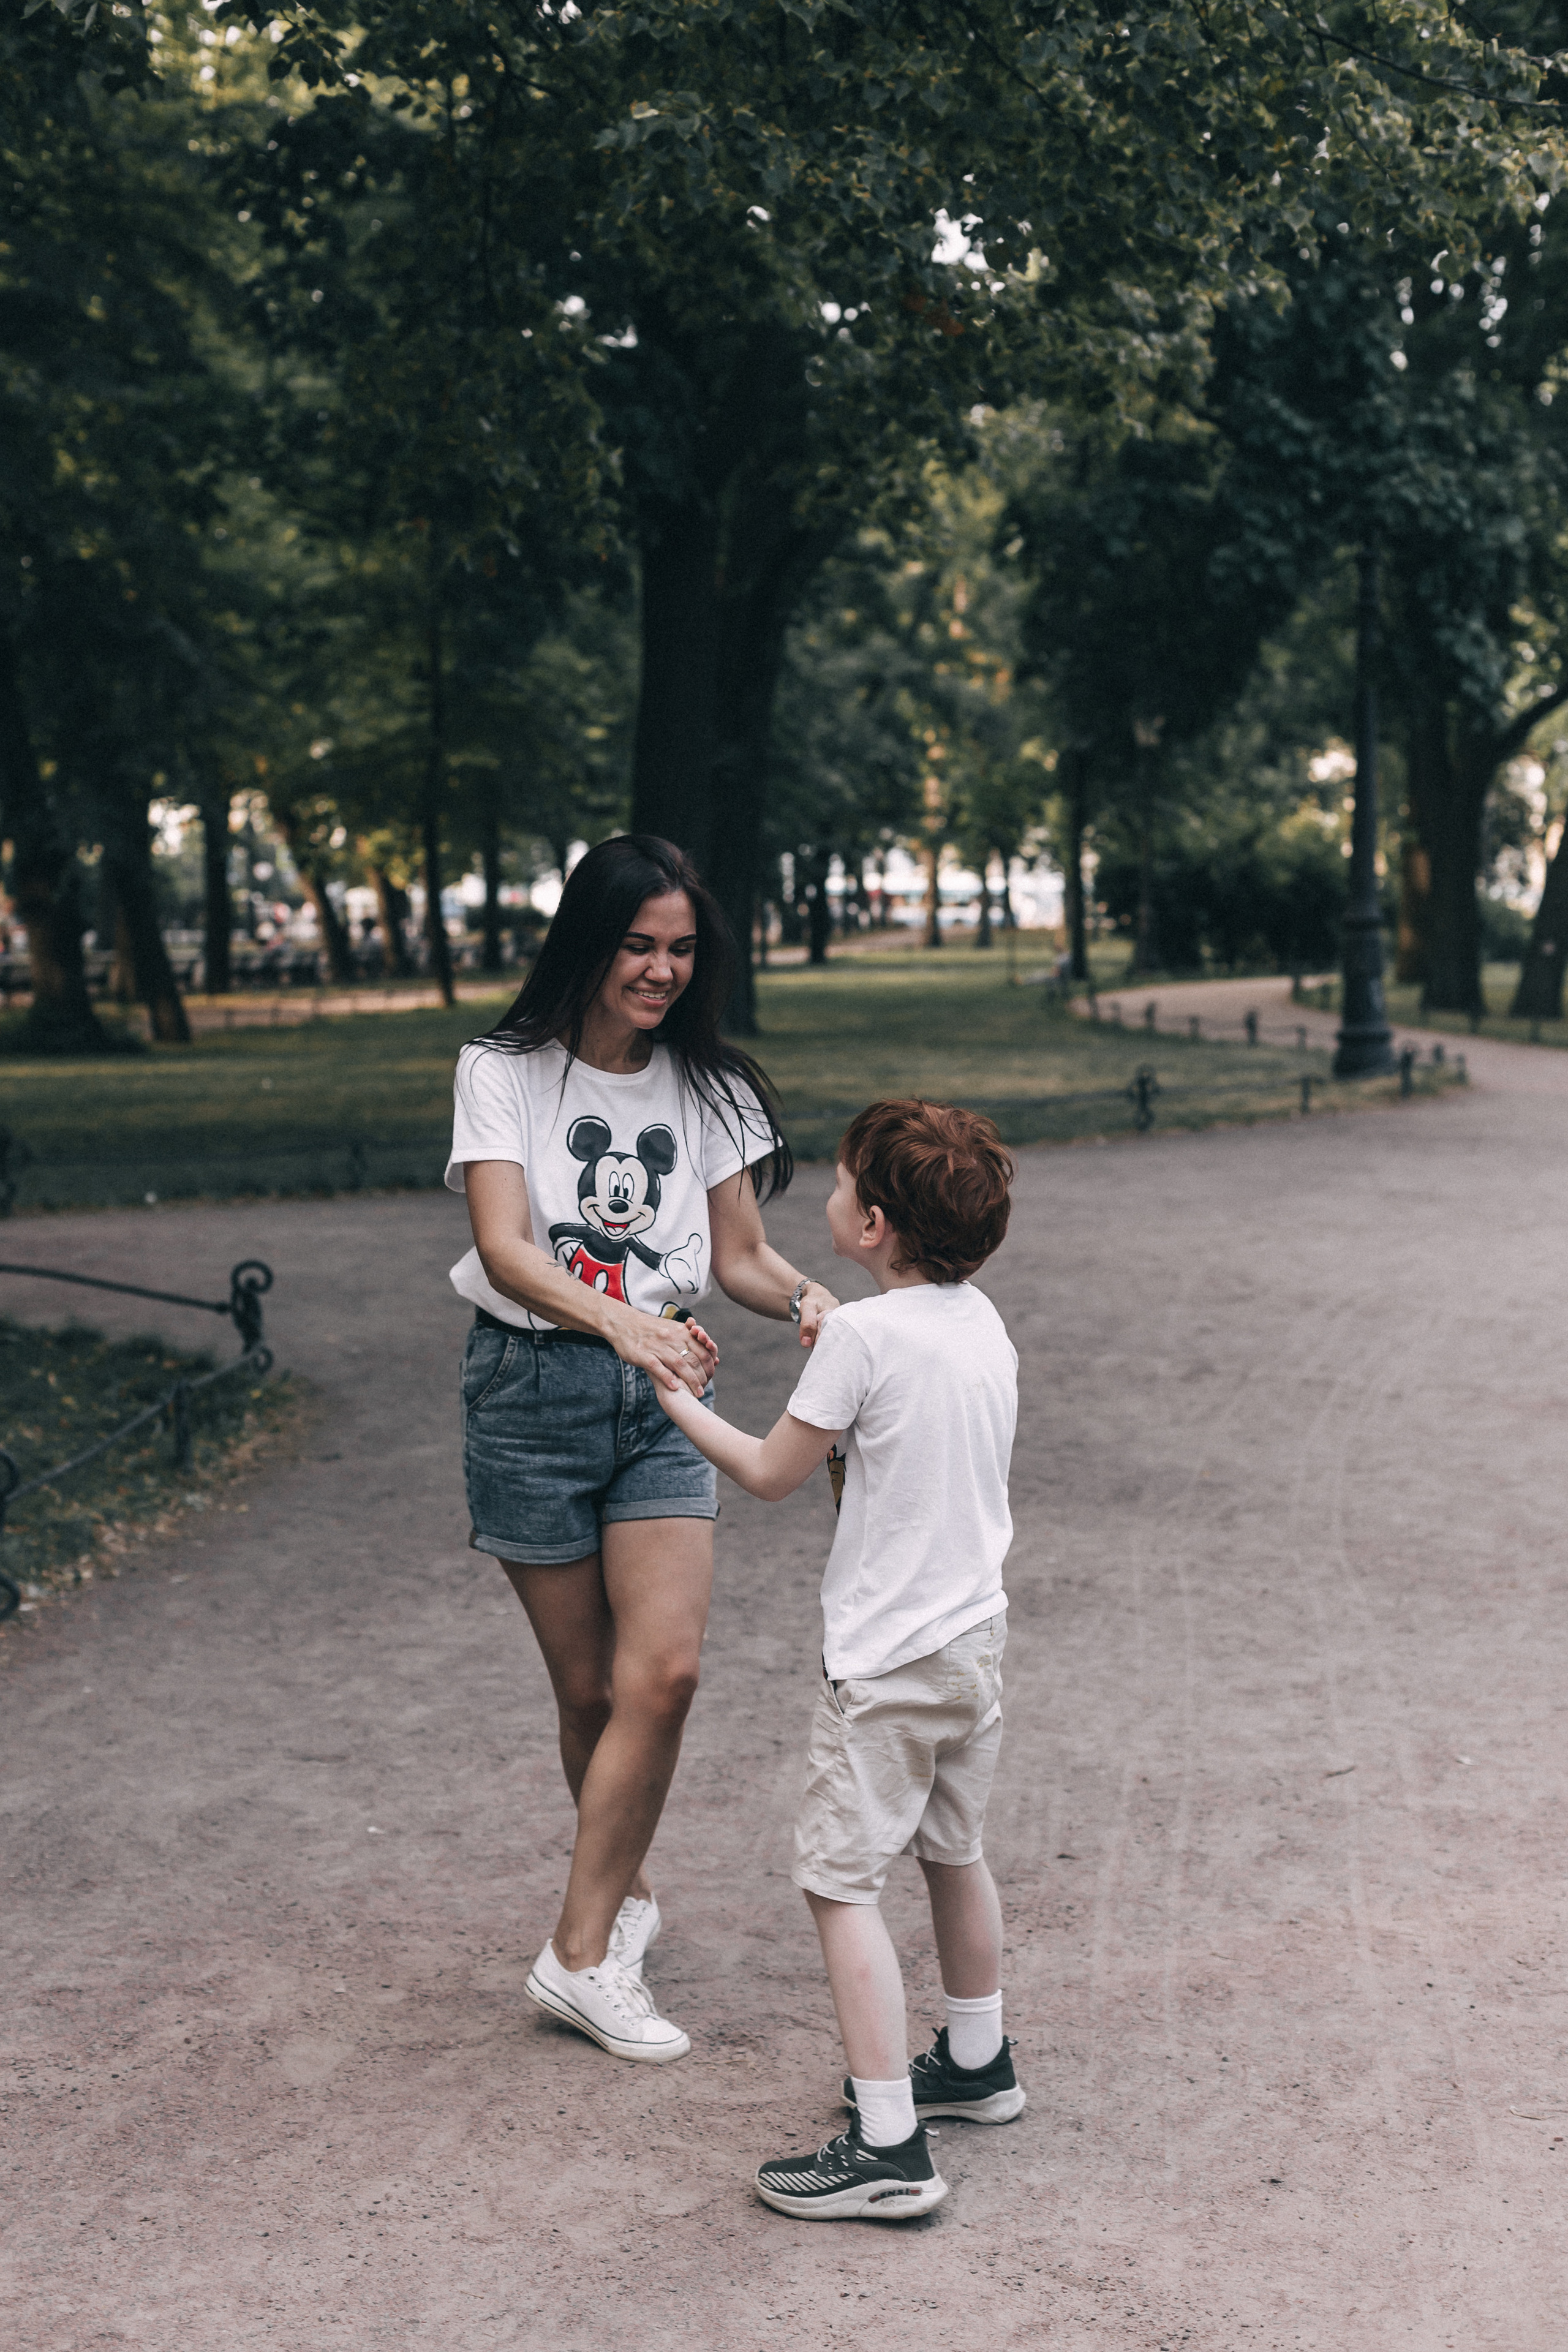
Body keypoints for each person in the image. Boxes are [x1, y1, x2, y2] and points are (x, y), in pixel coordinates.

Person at [447, 834, 839, 2065]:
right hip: (528, 1389)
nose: (661, 971)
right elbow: (508, 1248)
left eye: (679, 950)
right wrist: (621, 1322)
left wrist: (815, 1305)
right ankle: (620, 1899)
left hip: (660, 1395)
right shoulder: (501, 1071)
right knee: (589, 1693)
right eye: (638, 946)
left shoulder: (705, 1087)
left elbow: (736, 1261)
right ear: (589, 942)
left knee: (661, 1677)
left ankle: (574, 1954)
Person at [657, 1097, 1023, 2219]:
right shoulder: (982, 1323)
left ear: (870, 1225)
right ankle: (976, 2061)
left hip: (888, 1668)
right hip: (973, 1646)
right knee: (954, 1852)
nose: (823, 1197)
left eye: (837, 1182)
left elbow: (771, 1473)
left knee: (839, 1883)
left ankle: (888, 2147)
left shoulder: (865, 1336)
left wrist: (677, 1397)